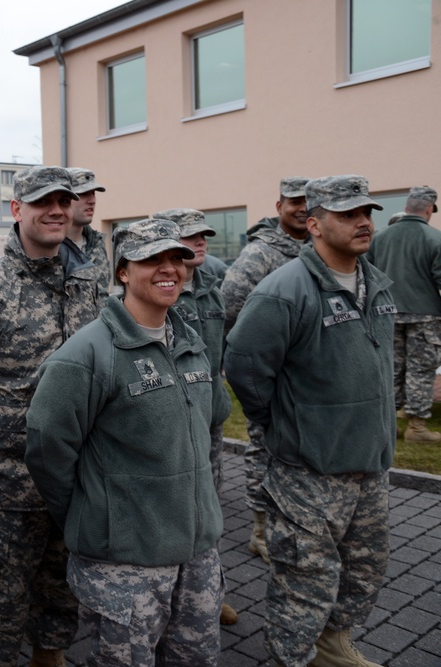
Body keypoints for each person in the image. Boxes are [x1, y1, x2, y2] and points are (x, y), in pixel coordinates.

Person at [26, 218, 224, 665]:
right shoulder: (87, 354)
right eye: (151, 259)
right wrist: (93, 513)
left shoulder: (188, 341)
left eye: (176, 258)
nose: (168, 269)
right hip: (126, 564)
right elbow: (46, 449)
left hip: (196, 555)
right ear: (122, 271)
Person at [225, 175, 393, 667]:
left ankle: (331, 645)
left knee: (364, 571)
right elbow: (244, 365)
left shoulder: (374, 280)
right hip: (308, 471)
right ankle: (291, 658)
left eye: (367, 213)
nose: (363, 222)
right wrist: (282, 424)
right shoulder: (284, 290)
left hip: (369, 464)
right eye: (348, 214)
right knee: (304, 585)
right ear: (315, 225)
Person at [0, 166, 99, 667]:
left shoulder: (89, 282)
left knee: (61, 586)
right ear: (17, 211)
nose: (57, 210)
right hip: (6, 483)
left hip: (76, 472)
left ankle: (50, 657)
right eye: (43, 202)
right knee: (0, 599)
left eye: (65, 200)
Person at [154, 208, 236, 626]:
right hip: (170, 423)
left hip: (209, 419)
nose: (200, 242)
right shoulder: (160, 292)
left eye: (204, 235)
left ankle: (208, 588)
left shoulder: (210, 287)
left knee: (208, 506)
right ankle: (166, 596)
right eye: (191, 237)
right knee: (172, 507)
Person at [221, 176, 309, 564]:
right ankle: (260, 530)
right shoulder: (261, 254)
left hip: (309, 381)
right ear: (279, 207)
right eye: (294, 202)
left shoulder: (318, 248)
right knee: (265, 447)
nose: (303, 208)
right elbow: (228, 307)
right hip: (272, 376)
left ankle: (292, 522)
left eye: (310, 202)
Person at [366, 186, 441, 442]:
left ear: (407, 207)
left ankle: (390, 424)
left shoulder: (380, 238)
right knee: (421, 370)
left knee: (391, 368)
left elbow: (369, 276)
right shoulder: (435, 238)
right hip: (425, 315)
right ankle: (416, 428)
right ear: (429, 209)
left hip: (387, 313)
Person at [66, 167, 112, 295]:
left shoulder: (97, 243)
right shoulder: (51, 247)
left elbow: (103, 295)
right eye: (83, 194)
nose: (92, 200)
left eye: (93, 193)